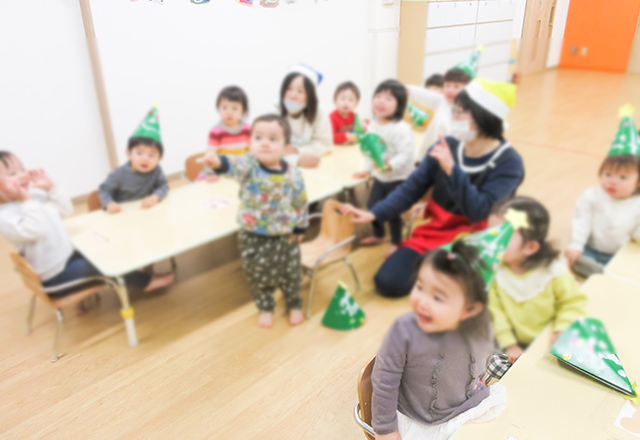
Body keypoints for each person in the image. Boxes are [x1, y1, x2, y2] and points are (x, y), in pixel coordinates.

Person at [343, 78, 524, 298]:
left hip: (475, 239)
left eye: (459, 113)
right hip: (437, 230)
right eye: (453, 111)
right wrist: (374, 213)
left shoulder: (509, 163)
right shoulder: (446, 145)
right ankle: (435, 271)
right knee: (387, 283)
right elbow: (411, 188)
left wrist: (452, 169)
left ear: (483, 117)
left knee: (455, 291)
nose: (453, 118)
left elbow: (478, 212)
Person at [372, 240, 506, 440]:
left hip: (465, 404)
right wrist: (385, 430)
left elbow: (483, 356)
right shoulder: (404, 331)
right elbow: (384, 382)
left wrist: (477, 379)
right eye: (420, 287)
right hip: (420, 418)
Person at [0, 151, 175, 299]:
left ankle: (90, 297)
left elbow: (65, 211)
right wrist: (27, 201)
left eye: (22, 168)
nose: (22, 175)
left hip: (67, 257)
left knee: (102, 247)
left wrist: (51, 188)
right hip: (55, 277)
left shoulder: (34, 197)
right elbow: (37, 230)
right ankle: (146, 282)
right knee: (104, 263)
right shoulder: (6, 217)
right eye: (12, 173)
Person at [203, 114, 308, 328]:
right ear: (250, 142)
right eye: (258, 137)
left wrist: (301, 225)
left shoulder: (294, 173)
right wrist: (217, 162)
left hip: (285, 235)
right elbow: (233, 164)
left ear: (286, 147)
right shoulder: (249, 166)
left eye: (273, 138)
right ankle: (265, 306)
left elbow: (301, 200)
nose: (265, 143)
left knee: (291, 272)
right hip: (253, 235)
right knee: (258, 273)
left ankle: (293, 302)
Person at [487, 197, 587, 366]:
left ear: (530, 247)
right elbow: (494, 312)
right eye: (490, 233)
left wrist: (561, 329)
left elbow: (572, 302)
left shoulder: (553, 270)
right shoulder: (493, 269)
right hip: (506, 342)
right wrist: (510, 345)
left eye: (502, 235)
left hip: (547, 340)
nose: (491, 241)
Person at [565, 105, 640, 277]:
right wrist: (575, 246)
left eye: (623, 177)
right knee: (578, 262)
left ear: (638, 183)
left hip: (620, 253)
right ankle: (595, 270)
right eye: (607, 174)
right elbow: (581, 222)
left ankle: (606, 272)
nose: (612, 181)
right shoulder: (591, 196)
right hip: (590, 249)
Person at [353, 79, 414, 255]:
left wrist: (390, 166)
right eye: (378, 96)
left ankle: (396, 242)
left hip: (398, 178)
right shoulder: (373, 125)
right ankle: (379, 235)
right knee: (372, 205)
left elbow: (406, 155)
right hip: (381, 177)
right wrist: (367, 170)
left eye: (388, 99)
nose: (381, 101)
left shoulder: (401, 129)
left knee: (392, 211)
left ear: (399, 105)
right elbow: (371, 151)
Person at [409, 48, 481, 161]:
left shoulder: (471, 108)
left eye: (456, 86)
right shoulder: (441, 100)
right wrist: (407, 90)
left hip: (454, 156)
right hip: (431, 151)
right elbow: (424, 95)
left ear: (468, 88)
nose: (450, 90)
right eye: (447, 86)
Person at [98, 106, 169, 214]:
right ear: (128, 153)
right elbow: (104, 190)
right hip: (124, 213)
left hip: (147, 211)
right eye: (139, 153)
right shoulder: (119, 174)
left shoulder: (156, 170)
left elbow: (163, 186)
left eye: (151, 155)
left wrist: (156, 196)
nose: (145, 158)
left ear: (159, 159)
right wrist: (109, 203)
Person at [278, 64, 333, 168]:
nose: (293, 95)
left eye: (300, 91)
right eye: (288, 88)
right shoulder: (273, 111)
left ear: (310, 97)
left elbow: (325, 144)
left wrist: (296, 151)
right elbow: (266, 149)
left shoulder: (319, 111)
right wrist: (296, 160)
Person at [330, 81, 363, 145]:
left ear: (356, 104)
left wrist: (363, 127)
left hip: (351, 147)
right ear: (335, 100)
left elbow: (359, 134)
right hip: (336, 147)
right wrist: (345, 136)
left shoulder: (355, 116)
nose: (346, 102)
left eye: (350, 100)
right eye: (342, 99)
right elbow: (329, 136)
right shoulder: (332, 117)